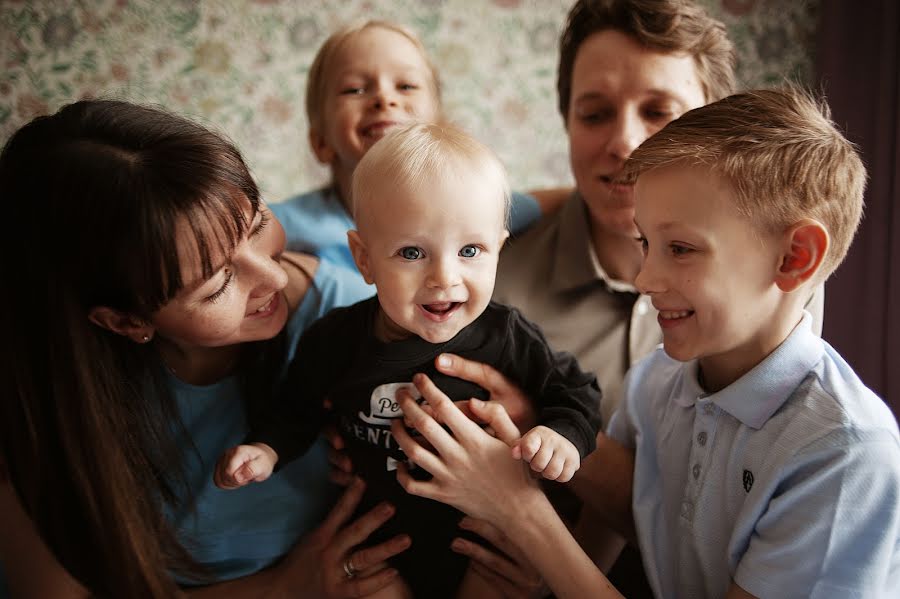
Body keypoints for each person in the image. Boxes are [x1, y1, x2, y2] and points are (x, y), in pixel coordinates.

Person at [390, 87, 900, 598]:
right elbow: (588, 561)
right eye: (646, 244)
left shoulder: (844, 453)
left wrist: (519, 509)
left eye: (680, 248)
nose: (645, 277)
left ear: (795, 258)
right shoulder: (656, 385)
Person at [0, 99, 413, 598]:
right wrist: (281, 588)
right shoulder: (39, 404)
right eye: (217, 285)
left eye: (258, 224)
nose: (275, 276)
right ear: (126, 321)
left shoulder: (356, 318)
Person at [215, 122, 602, 598]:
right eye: (413, 252)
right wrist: (267, 450)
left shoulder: (507, 337)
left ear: (498, 249)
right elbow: (295, 407)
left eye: (470, 250)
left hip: (483, 545)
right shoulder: (336, 339)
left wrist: (559, 436)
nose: (444, 277)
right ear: (365, 258)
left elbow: (576, 392)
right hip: (382, 546)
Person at [271, 19, 566, 273]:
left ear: (439, 129)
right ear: (321, 142)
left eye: (406, 86)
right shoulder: (287, 224)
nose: (384, 99)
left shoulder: (474, 206)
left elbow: (545, 202)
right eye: (355, 89)